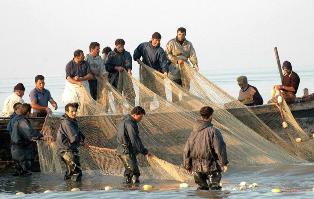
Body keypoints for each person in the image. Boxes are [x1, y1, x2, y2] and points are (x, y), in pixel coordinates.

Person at [184, 106, 228, 190]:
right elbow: (220, 149)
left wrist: (187, 166)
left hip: (197, 169)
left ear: (201, 116)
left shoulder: (193, 132)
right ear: (211, 116)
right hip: (212, 167)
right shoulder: (213, 131)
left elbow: (186, 150)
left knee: (202, 191)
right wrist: (224, 163)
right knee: (215, 191)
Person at [116, 106, 152, 184]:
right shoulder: (130, 123)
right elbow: (135, 139)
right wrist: (145, 152)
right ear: (135, 114)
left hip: (121, 150)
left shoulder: (124, 120)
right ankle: (132, 192)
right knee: (132, 172)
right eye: (141, 116)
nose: (141, 118)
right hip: (126, 151)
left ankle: (130, 191)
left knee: (131, 171)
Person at [166, 27, 199, 101]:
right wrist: (176, 61)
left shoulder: (189, 44)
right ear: (177, 34)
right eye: (179, 34)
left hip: (185, 68)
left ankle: (186, 106)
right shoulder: (171, 42)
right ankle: (176, 106)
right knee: (174, 89)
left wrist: (195, 64)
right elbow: (167, 54)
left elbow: (192, 55)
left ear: (185, 35)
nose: (181, 36)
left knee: (186, 88)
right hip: (174, 68)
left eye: (182, 34)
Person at [133, 32, 168, 100]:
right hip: (145, 72)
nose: (157, 42)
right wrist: (137, 58)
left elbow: (163, 62)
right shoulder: (143, 46)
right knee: (146, 90)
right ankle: (147, 108)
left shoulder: (160, 51)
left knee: (160, 91)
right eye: (156, 40)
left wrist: (165, 71)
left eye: (159, 41)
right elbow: (136, 53)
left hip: (157, 73)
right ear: (152, 39)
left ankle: (162, 107)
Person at [10, 103, 43, 176]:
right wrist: (41, 135)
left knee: (18, 173)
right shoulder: (22, 121)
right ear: (28, 112)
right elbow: (30, 133)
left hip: (15, 150)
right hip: (22, 152)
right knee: (25, 174)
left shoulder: (14, 119)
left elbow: (10, 130)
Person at [56, 103, 85, 182]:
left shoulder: (71, 121)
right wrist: (81, 141)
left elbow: (78, 133)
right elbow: (74, 138)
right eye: (72, 111)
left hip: (67, 151)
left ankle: (68, 190)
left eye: (75, 111)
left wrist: (82, 138)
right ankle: (75, 192)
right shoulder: (67, 123)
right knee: (77, 173)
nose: (74, 113)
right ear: (66, 112)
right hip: (67, 151)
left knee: (70, 173)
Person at [105, 39, 135, 106]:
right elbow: (107, 66)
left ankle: (131, 110)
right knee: (117, 96)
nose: (121, 48)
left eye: (122, 47)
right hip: (114, 79)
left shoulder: (127, 54)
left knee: (129, 95)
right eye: (119, 47)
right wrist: (116, 68)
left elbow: (128, 63)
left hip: (125, 78)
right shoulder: (111, 54)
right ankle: (119, 111)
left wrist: (129, 70)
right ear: (116, 46)